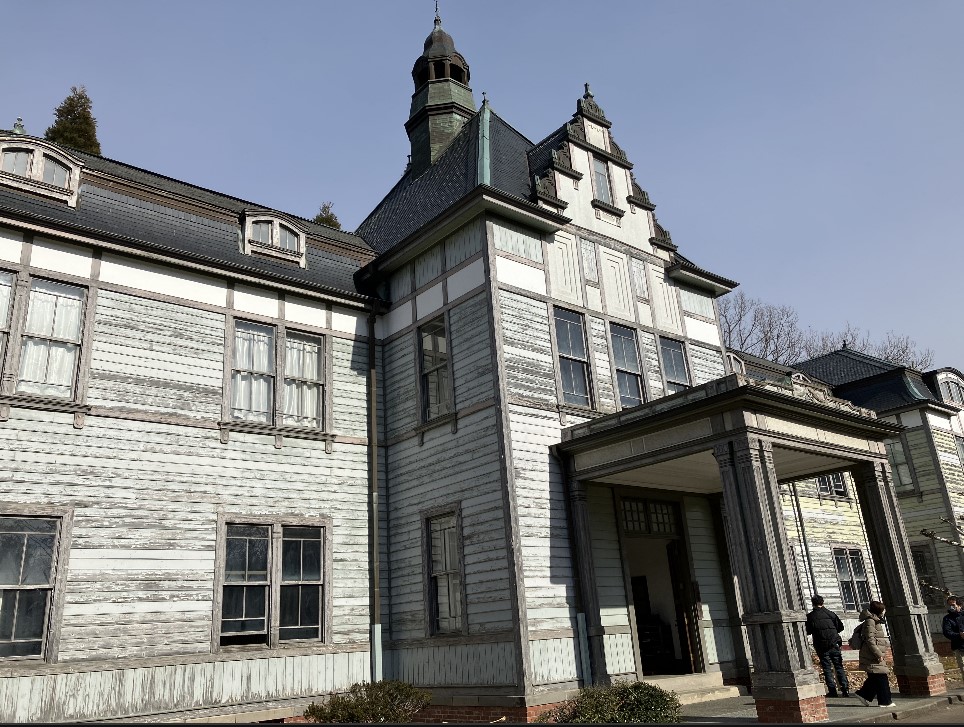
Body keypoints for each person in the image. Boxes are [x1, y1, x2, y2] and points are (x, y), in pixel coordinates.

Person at [805, 595, 849, 697]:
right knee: (839, 666)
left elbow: (808, 631)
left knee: (827, 668)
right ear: (822, 602)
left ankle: (832, 691)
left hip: (821, 645)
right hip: (834, 643)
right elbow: (840, 627)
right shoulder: (830, 614)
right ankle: (845, 689)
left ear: (813, 603)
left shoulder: (811, 616)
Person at [853, 601, 894, 708]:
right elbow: (870, 639)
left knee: (875, 677)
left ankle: (863, 694)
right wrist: (878, 653)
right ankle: (885, 702)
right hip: (872, 655)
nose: (884, 612)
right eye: (883, 610)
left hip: (873, 654)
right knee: (881, 677)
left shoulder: (875, 621)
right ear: (879, 610)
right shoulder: (870, 621)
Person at [942, 596, 964, 675]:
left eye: (953, 605)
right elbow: (947, 632)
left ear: (959, 605)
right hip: (959, 647)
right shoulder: (947, 619)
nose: (951, 607)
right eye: (949, 605)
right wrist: (959, 635)